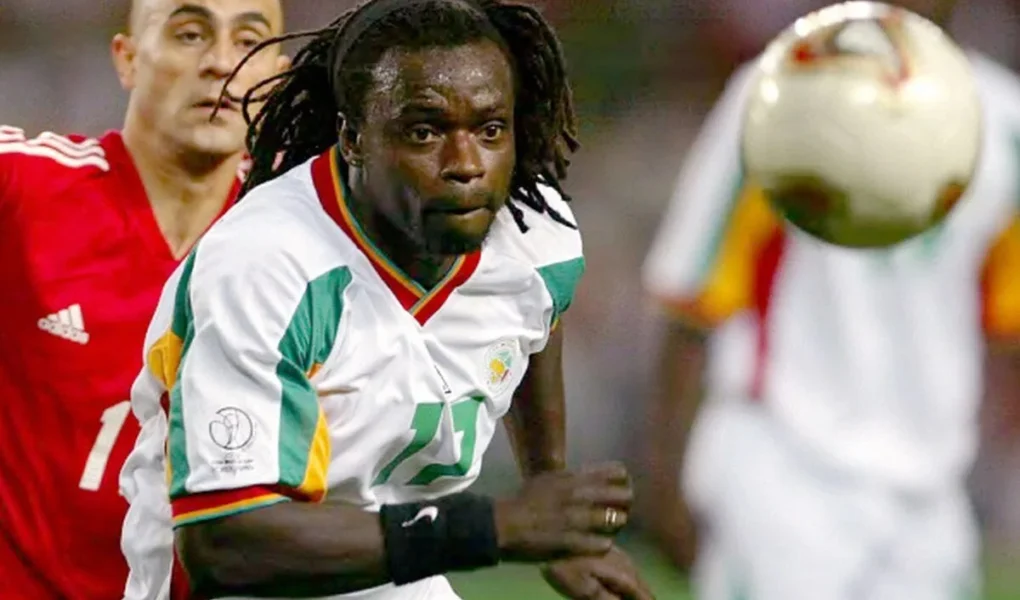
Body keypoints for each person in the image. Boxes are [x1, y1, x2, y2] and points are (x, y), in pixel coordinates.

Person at [119, 0, 654, 599]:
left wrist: (549, 495)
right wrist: (497, 526)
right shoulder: (265, 266)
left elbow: (537, 316)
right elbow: (225, 545)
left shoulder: (534, 235)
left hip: (398, 567)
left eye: (490, 129)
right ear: (353, 139)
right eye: (425, 131)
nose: (466, 164)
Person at [641, 1, 1020, 599]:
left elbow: (1005, 321)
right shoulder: (782, 88)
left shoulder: (1007, 122)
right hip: (784, 468)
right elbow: (690, 294)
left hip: (929, 493)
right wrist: (664, 481)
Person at [0, 1, 288, 598]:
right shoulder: (24, 188)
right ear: (127, 59)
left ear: (277, 78)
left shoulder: (301, 241)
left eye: (249, 42)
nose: (222, 63)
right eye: (190, 34)